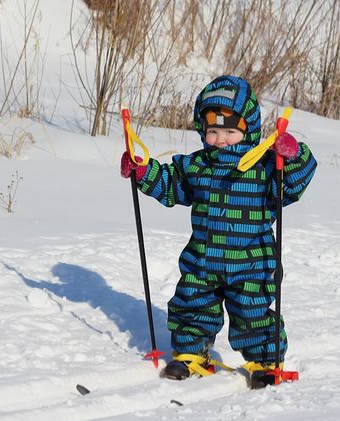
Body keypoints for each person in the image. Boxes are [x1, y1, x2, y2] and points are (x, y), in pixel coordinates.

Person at [120, 75, 317, 381]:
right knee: (192, 304)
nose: (220, 139)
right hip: (203, 259)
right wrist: (144, 172)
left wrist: (292, 157)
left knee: (252, 315)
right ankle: (190, 355)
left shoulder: (265, 166)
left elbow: (292, 184)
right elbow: (173, 185)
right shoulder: (197, 165)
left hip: (251, 263)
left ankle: (265, 363)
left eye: (229, 131)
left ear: (248, 129)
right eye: (212, 131)